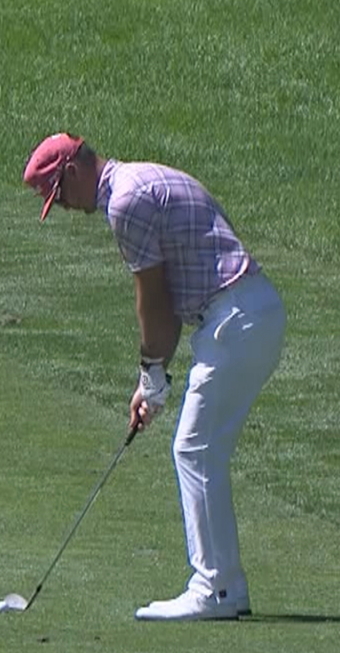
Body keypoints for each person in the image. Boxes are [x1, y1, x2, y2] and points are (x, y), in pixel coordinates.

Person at [21, 132, 287, 621]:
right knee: (202, 451)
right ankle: (225, 587)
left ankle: (215, 589)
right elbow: (170, 301)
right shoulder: (143, 179)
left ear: (73, 172)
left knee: (193, 449)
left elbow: (153, 300)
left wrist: (151, 376)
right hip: (248, 314)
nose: (64, 207)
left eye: (59, 195)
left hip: (235, 318)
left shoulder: (126, 202)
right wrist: (153, 379)